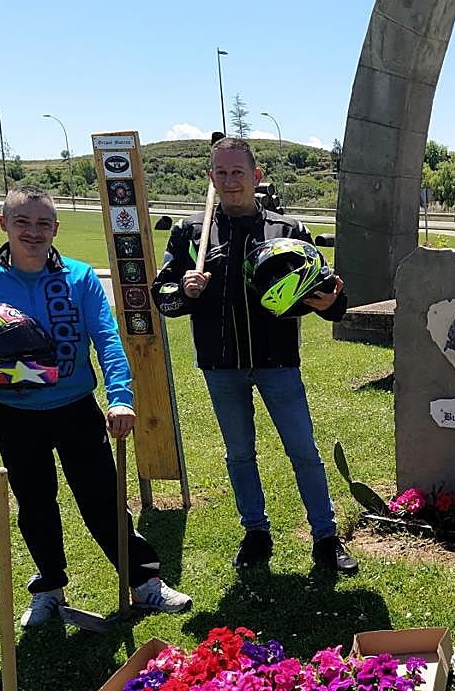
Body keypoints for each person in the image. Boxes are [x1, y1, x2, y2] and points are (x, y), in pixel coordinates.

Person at [0, 185, 192, 627]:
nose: (33, 232)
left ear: (56, 229)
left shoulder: (80, 277)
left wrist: (119, 399)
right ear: (3, 224)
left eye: (43, 223)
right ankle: (49, 587)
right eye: (22, 222)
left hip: (76, 407)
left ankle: (143, 582)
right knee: (35, 503)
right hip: (14, 413)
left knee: (102, 498)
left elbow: (107, 341)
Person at [150, 137, 357, 575]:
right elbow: (161, 295)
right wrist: (185, 293)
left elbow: (330, 295)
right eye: (221, 173)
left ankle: (326, 538)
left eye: (237, 172)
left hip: (277, 363)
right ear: (211, 178)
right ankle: (256, 533)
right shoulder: (191, 234)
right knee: (239, 454)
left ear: (256, 177)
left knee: (303, 450)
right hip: (221, 367)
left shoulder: (289, 232)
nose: (229, 181)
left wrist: (331, 305)